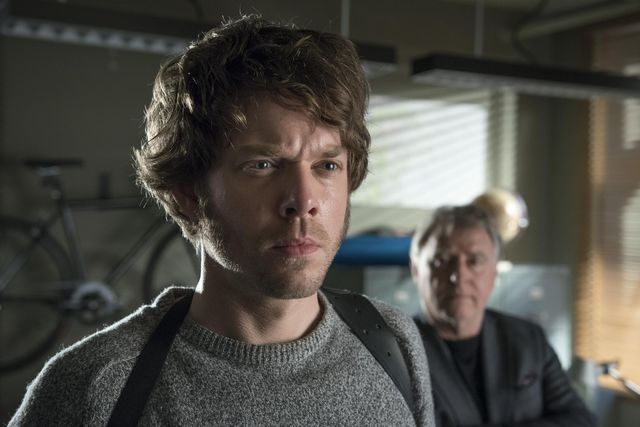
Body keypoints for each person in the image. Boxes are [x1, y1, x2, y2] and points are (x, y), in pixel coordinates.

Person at [9, 15, 435, 426]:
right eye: (263, 165)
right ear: (188, 192)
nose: (304, 201)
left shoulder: (391, 339)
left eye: (327, 166)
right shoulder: (94, 386)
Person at [410, 204, 595, 427]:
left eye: (475, 261)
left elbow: (581, 420)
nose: (458, 276)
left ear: (495, 272)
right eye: (442, 261)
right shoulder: (396, 355)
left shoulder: (528, 339)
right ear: (416, 270)